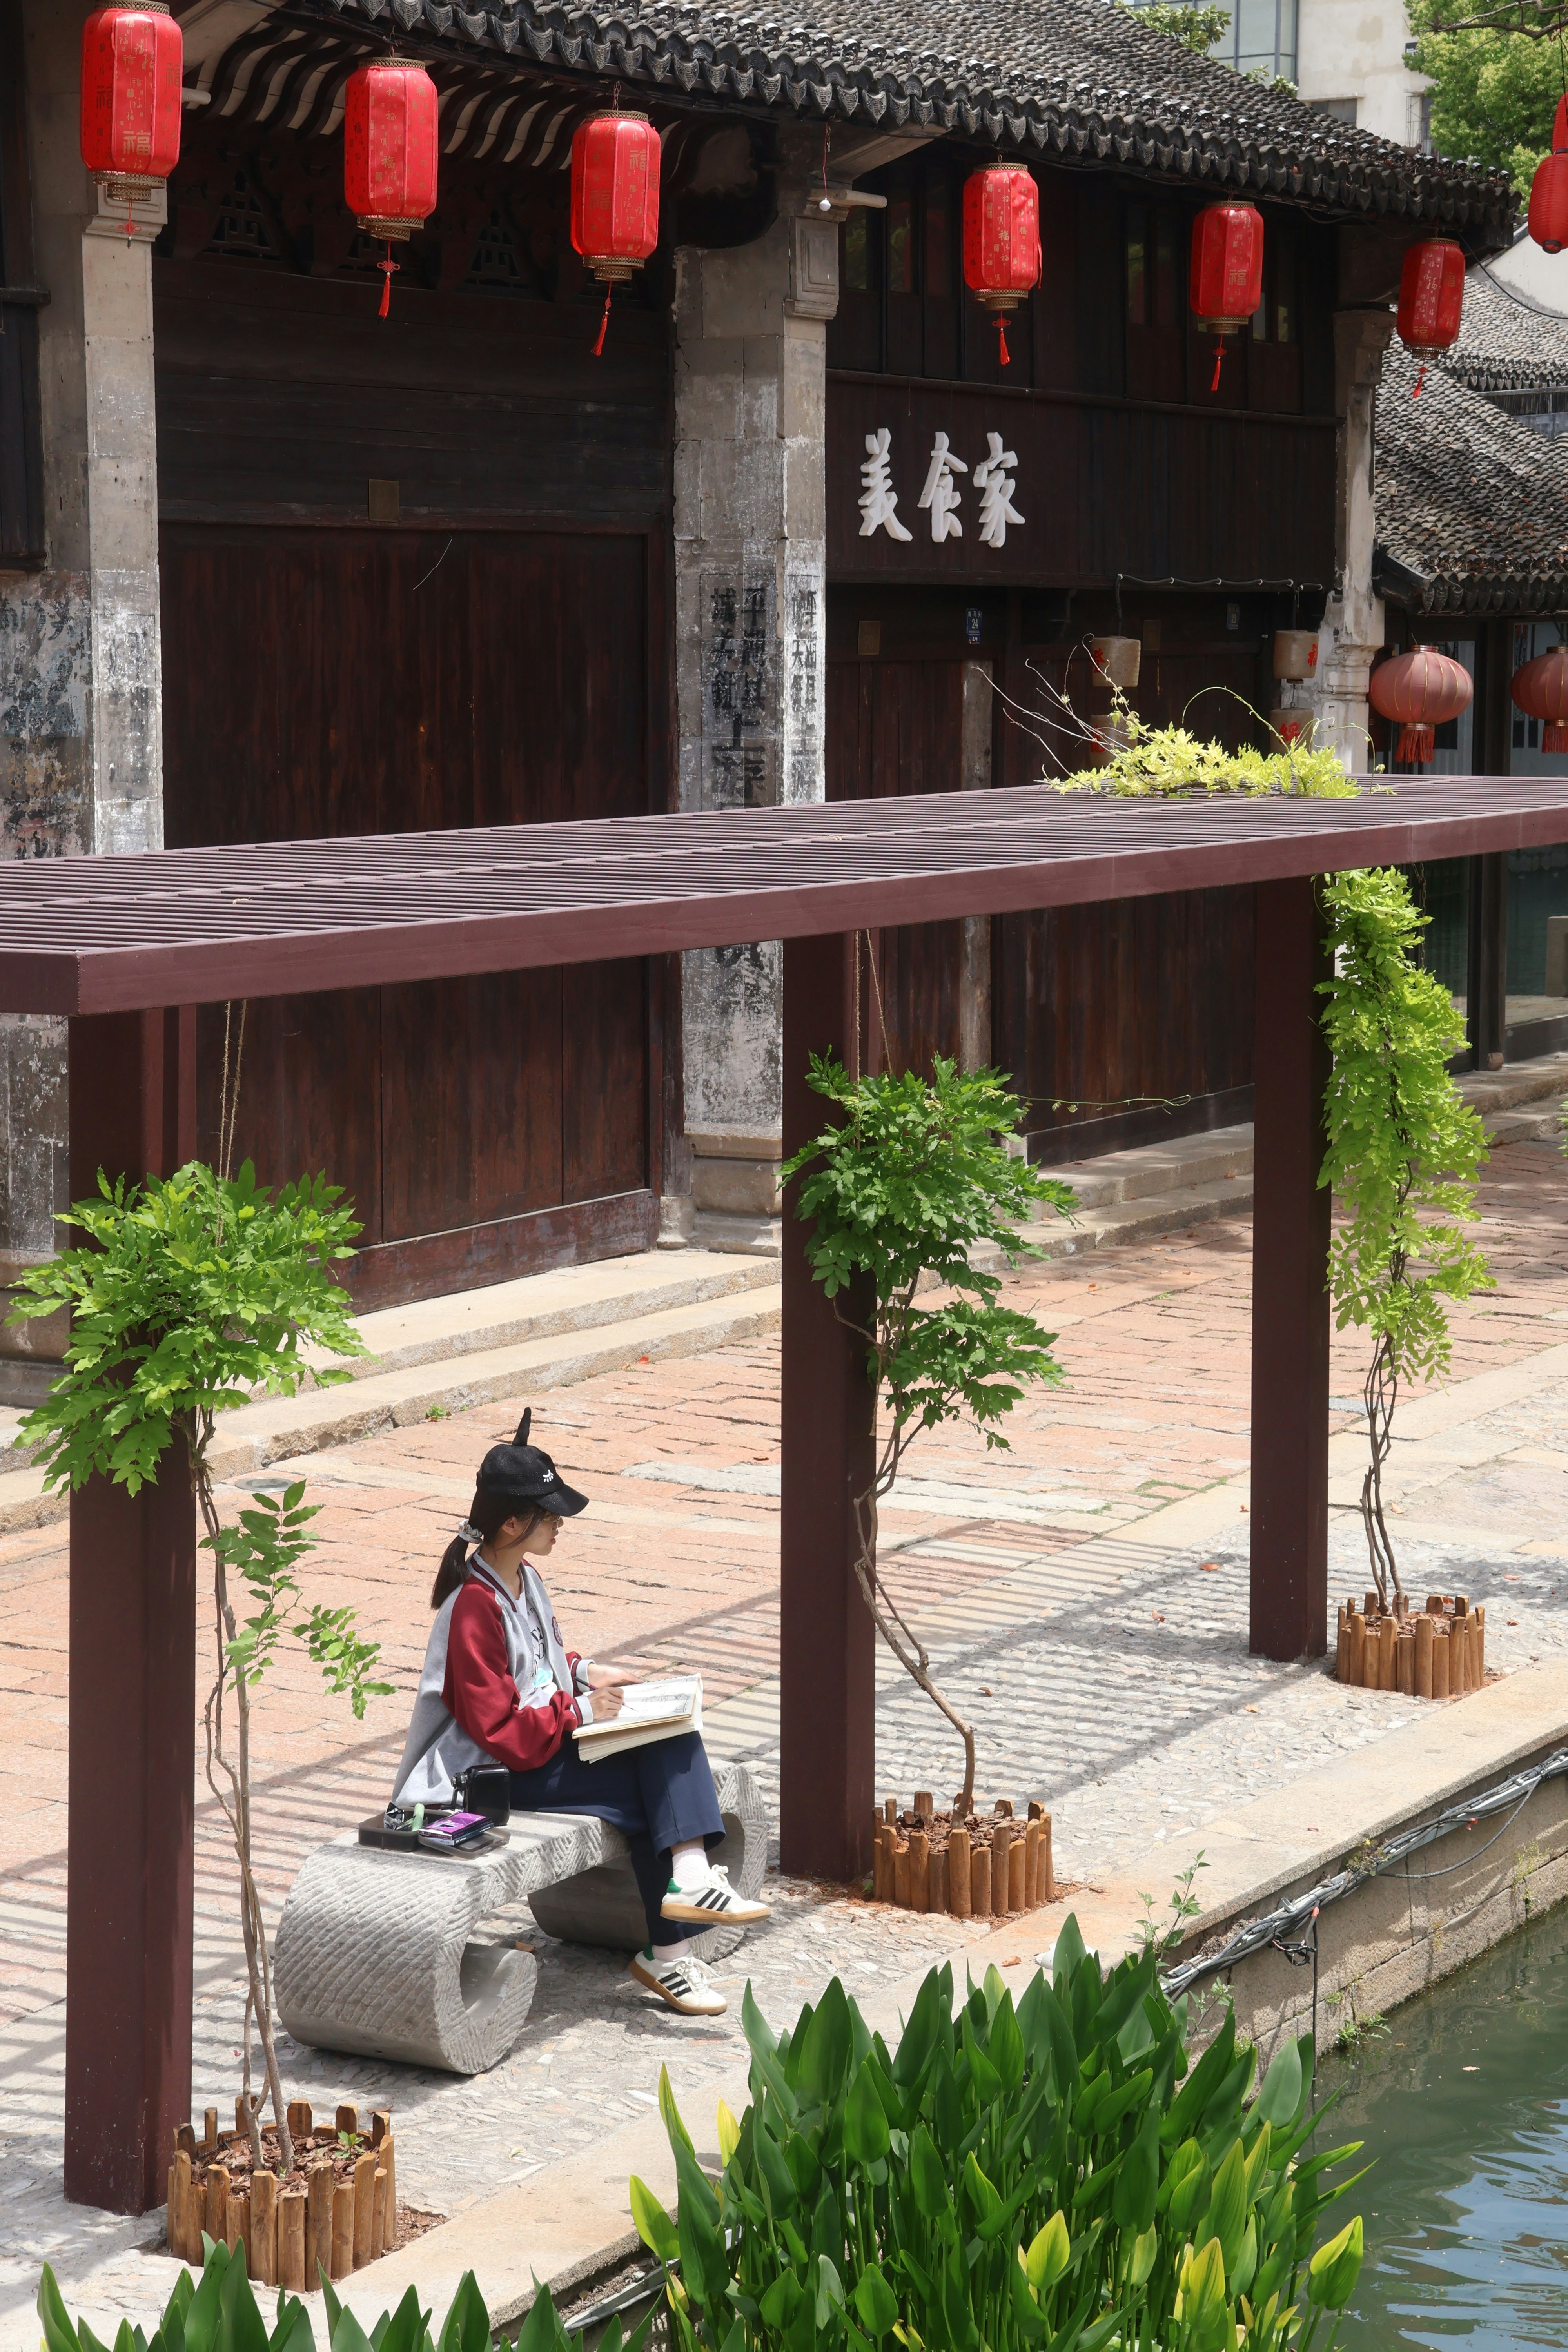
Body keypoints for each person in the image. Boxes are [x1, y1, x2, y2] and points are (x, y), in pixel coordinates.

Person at [392, 1410, 768, 2016]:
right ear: (512, 1523)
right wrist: (583, 1710)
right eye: (549, 1515)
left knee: (670, 1735)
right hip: (486, 1776)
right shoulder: (473, 1607)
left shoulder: (524, 1578)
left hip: (536, 1750)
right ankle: (675, 1928)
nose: (559, 1524)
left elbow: (537, 1663)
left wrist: (587, 1671)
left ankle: (687, 1893)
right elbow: (501, 1731)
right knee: (655, 1785)